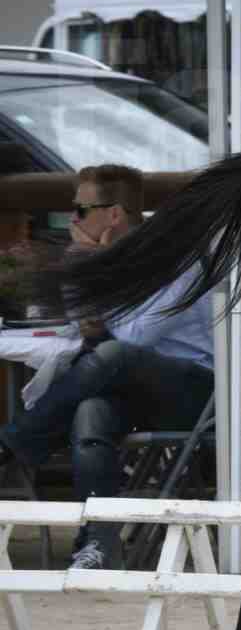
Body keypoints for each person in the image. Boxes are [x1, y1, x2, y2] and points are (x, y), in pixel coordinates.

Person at [0, 165, 216, 569]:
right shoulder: (107, 258)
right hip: (129, 384)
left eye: (81, 211)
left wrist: (93, 265)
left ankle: (14, 443)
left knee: (113, 357)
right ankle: (99, 543)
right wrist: (85, 266)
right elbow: (85, 325)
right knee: (89, 411)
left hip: (195, 393)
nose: (73, 221)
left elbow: (131, 338)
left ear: (113, 215)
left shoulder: (174, 259)